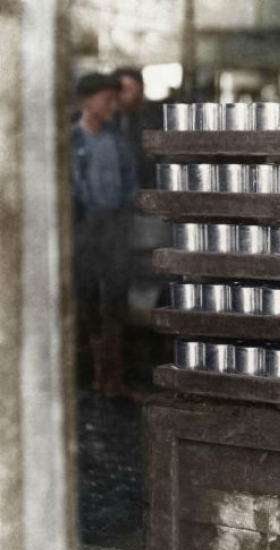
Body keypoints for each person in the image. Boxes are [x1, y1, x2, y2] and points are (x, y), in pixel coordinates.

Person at [71, 73, 137, 398]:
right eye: (106, 99)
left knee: (115, 299)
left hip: (114, 225)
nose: (111, 105)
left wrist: (123, 214)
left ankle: (115, 379)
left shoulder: (118, 141)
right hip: (85, 228)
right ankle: (97, 378)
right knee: (88, 299)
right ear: (87, 100)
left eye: (114, 99)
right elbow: (72, 189)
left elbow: (129, 183)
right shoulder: (72, 141)